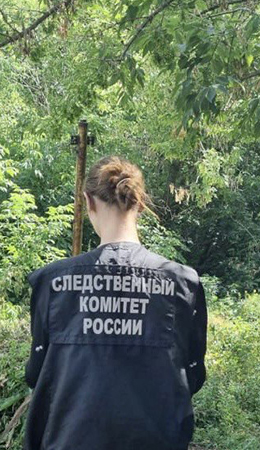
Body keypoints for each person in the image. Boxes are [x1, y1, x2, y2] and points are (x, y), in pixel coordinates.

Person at [22, 155, 208, 450]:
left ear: (88, 201)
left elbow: (36, 374)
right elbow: (193, 376)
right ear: (140, 204)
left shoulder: (52, 282)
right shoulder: (182, 283)